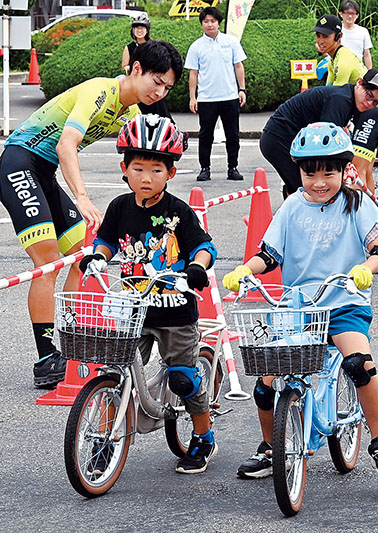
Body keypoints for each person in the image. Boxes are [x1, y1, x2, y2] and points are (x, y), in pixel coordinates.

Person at [223, 122, 378, 479]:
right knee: (265, 379)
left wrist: (367, 267)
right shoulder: (291, 207)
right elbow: (270, 254)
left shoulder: (357, 203)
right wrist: (246, 268)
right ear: (299, 172)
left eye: (329, 172)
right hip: (299, 309)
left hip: (344, 303)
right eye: (310, 173)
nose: (319, 181)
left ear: (342, 169)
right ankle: (269, 446)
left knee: (359, 364)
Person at [0, 40, 182, 388]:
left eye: (167, 88)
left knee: (79, 257)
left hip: (45, 172)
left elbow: (140, 163)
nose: (160, 92)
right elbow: (65, 144)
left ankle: (68, 341)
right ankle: (45, 357)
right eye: (156, 82)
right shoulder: (100, 91)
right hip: (18, 163)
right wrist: (81, 197)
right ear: (137, 69)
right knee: (48, 261)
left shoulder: (130, 113)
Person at [79, 114, 218, 474]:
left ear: (171, 173)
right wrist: (97, 257)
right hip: (132, 308)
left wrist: (198, 267)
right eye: (138, 168)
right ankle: (102, 440)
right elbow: (106, 241)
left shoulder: (178, 212)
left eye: (156, 169)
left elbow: (203, 246)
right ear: (124, 168)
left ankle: (203, 437)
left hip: (174, 310)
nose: (146, 177)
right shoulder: (119, 207)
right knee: (114, 369)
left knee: (183, 377)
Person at [260, 68, 378, 197]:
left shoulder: (351, 101)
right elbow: (327, 146)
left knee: (307, 186)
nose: (369, 103)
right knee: (307, 187)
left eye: (376, 102)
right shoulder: (341, 100)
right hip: (278, 139)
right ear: (359, 83)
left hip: (291, 139)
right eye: (369, 95)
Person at [186, 6, 247, 182]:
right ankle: (205, 168)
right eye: (206, 21)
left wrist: (241, 89)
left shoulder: (231, 42)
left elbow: (238, 66)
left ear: (219, 23)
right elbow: (193, 73)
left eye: (213, 21)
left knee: (233, 135)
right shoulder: (196, 46)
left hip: (229, 96)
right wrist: (193, 97)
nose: (210, 24)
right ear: (202, 24)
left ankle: (233, 167)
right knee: (206, 135)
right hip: (206, 98)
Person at [121, 13, 172, 121]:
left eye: (142, 28)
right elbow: (124, 66)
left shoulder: (153, 46)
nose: (139, 30)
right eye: (136, 28)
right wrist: (128, 68)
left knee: (160, 109)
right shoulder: (129, 48)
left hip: (150, 84)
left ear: (147, 30)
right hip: (136, 85)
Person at [314, 14, 366, 86]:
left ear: (339, 36)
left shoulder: (343, 61)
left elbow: (336, 94)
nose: (321, 41)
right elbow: (328, 89)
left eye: (326, 36)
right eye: (318, 36)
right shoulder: (332, 61)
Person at [339, 1, 373, 69]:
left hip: (358, 70)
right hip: (338, 69)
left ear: (357, 15)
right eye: (347, 13)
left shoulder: (363, 31)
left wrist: (370, 73)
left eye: (353, 13)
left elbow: (366, 55)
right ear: (341, 14)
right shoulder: (336, 30)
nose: (350, 16)